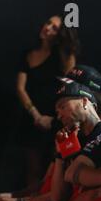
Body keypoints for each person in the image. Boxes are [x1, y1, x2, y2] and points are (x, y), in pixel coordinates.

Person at [0, 81, 101, 201]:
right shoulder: (72, 138)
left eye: (63, 107)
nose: (59, 115)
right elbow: (57, 194)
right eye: (57, 110)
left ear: (85, 101)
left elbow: (86, 184)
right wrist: (60, 156)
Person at [16, 14, 79, 187]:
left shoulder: (65, 57)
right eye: (48, 23)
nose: (48, 28)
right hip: (32, 118)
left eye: (55, 27)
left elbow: (69, 90)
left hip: (56, 118)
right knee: (32, 169)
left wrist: (54, 118)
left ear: (60, 35)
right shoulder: (28, 55)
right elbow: (20, 88)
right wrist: (36, 116)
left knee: (55, 169)